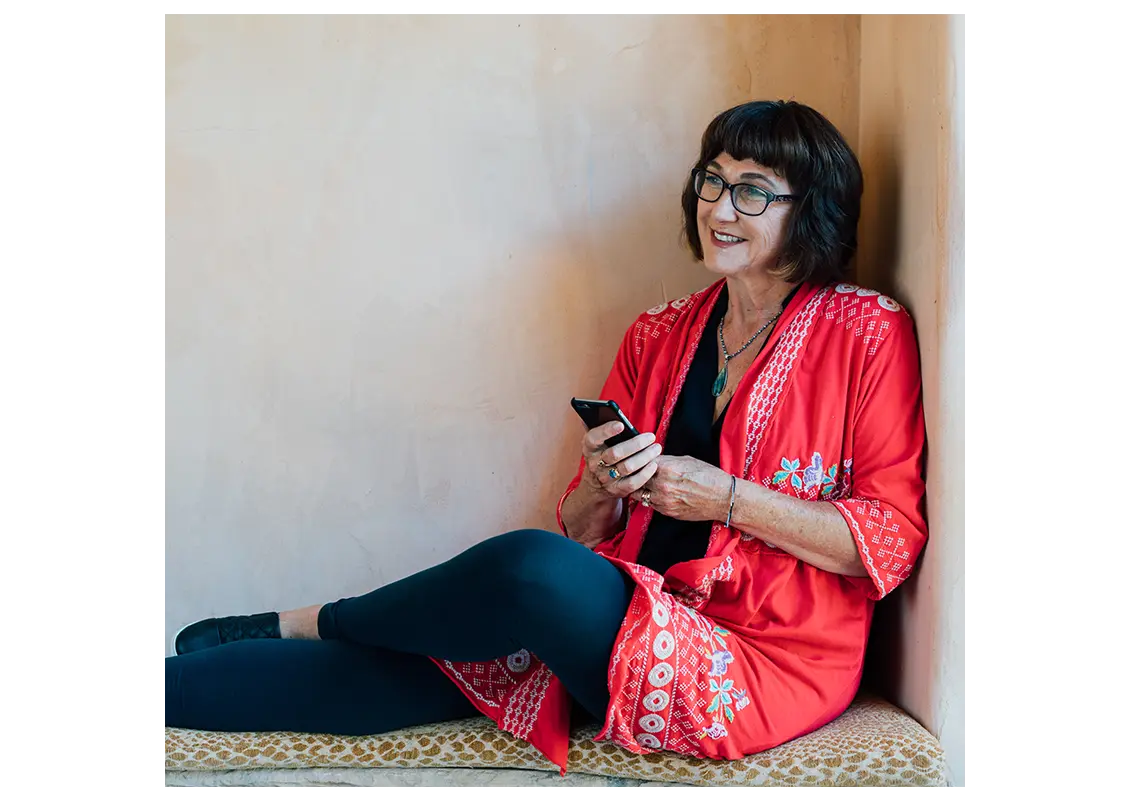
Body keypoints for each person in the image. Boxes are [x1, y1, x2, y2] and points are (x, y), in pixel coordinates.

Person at [162, 99, 928, 773]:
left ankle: (310, 618)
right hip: (625, 609)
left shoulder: (867, 332)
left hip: (761, 656)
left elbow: (889, 539)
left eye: (753, 191)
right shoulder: (659, 334)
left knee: (529, 565)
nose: (720, 208)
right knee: (405, 667)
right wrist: (604, 482)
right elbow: (583, 528)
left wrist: (725, 498)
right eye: (713, 180)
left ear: (812, 208)